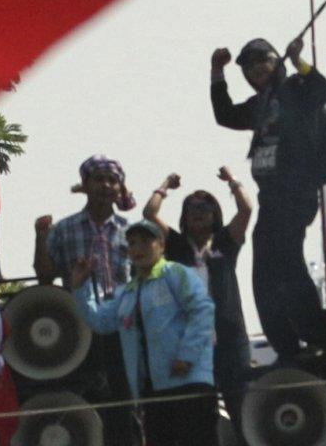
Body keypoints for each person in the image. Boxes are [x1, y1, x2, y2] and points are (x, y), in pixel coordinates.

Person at [211, 36, 326, 361]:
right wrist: (217, 73)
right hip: (271, 199)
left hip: (295, 194)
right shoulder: (260, 104)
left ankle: (314, 334)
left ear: (275, 62)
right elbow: (226, 115)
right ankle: (284, 345)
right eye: (249, 66)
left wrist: (299, 60)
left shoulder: (296, 90)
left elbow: (322, 91)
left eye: (262, 61)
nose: (257, 69)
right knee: (263, 272)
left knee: (288, 263)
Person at [69, 219, 218, 446]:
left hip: (189, 383)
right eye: (132, 244)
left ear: (161, 245)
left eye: (145, 242)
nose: (137, 249)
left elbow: (202, 311)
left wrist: (186, 356)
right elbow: (100, 322)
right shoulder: (128, 292)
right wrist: (81, 287)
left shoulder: (176, 273)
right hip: (152, 389)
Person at [35, 155, 140, 446]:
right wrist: (40, 237)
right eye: (99, 179)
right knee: (84, 400)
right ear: (85, 185)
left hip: (123, 326)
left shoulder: (132, 232)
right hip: (80, 330)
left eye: (113, 180)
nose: (106, 186)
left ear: (120, 187)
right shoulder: (64, 229)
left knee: (124, 401)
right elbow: (45, 276)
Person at [145, 167, 254, 424]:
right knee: (199, 416)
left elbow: (247, 209)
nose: (198, 213)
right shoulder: (176, 245)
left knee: (241, 409)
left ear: (215, 215)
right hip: (191, 343)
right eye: (192, 209)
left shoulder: (225, 241)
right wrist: (165, 186)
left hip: (229, 339)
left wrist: (232, 181)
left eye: (205, 208)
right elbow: (149, 213)